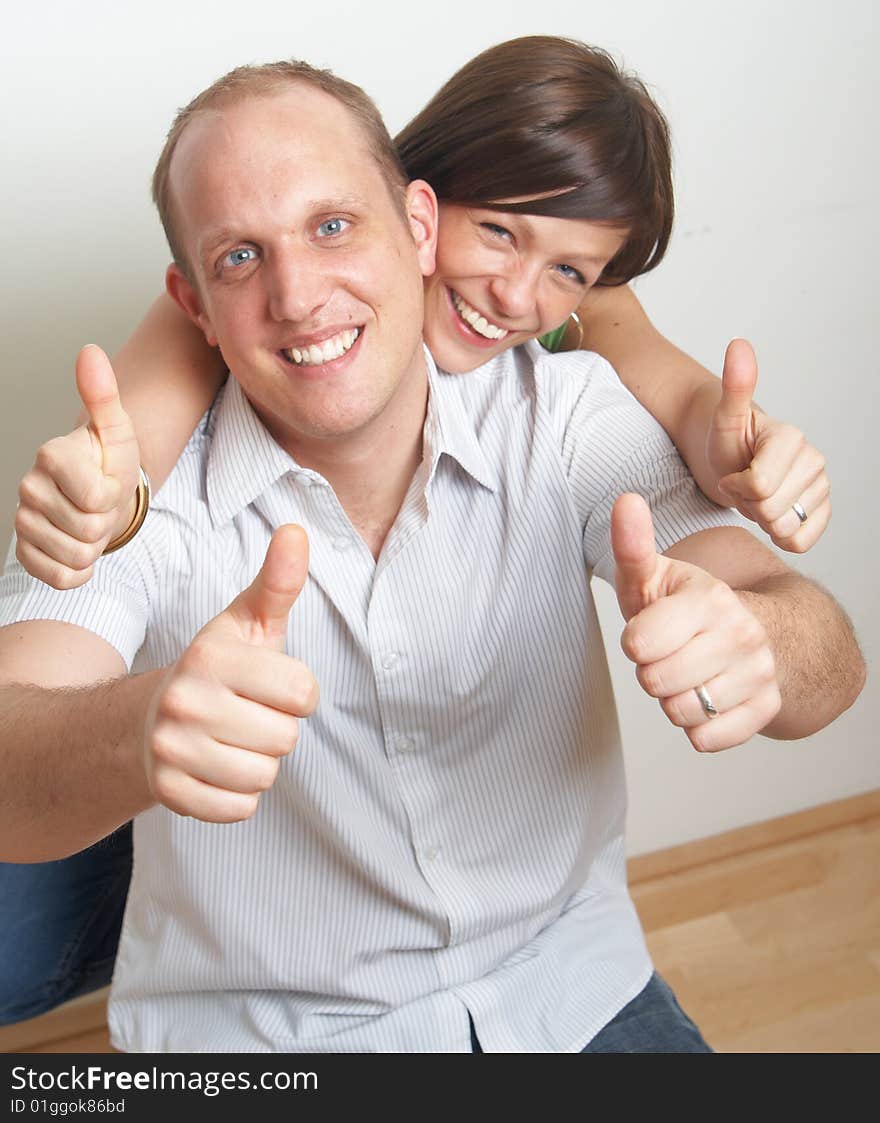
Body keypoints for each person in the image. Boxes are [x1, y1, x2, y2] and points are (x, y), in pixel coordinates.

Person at [0, 56, 862, 1052]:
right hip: (273, 1036)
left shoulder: (566, 412)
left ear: (413, 225)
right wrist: (139, 725)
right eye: (240, 258)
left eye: (332, 226)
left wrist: (760, 636)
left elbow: (818, 652)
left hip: (564, 984)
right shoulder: (127, 486)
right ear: (191, 304)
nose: (299, 294)